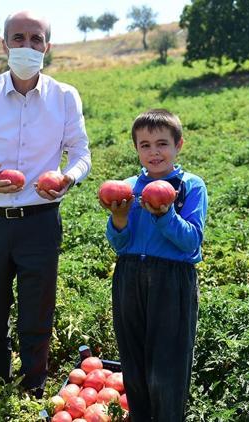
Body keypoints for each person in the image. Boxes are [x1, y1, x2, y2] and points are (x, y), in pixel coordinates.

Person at [0, 10, 91, 397]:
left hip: (41, 220)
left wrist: (68, 177)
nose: (26, 46)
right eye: (18, 38)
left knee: (38, 310)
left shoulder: (64, 97)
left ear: (47, 46)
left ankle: (32, 388)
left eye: (35, 39)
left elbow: (81, 152)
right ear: (4, 45)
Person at [99, 109, 207, 421]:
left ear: (179, 145)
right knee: (133, 356)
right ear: (136, 149)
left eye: (162, 143)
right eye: (145, 145)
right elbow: (120, 244)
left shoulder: (190, 187)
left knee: (167, 362)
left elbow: (191, 242)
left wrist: (165, 215)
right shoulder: (127, 187)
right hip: (129, 275)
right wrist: (118, 220)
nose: (154, 152)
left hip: (172, 278)